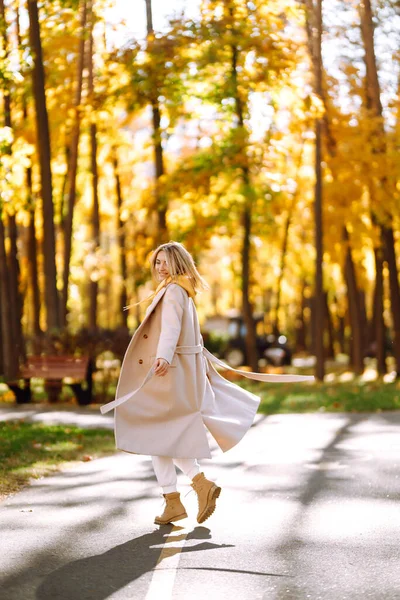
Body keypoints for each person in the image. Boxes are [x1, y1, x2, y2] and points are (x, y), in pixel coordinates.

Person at [100, 241, 314, 526]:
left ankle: (192, 489)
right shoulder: (179, 290)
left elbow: (170, 329)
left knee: (158, 434)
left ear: (178, 263)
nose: (160, 268)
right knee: (160, 437)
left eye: (165, 262)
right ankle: (181, 497)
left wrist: (163, 356)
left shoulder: (175, 291)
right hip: (178, 370)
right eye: (157, 263)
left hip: (170, 372)